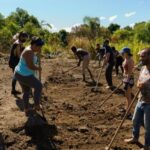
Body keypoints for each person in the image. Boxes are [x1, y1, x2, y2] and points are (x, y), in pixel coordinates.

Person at [124, 48, 150, 150]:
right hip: (141, 99)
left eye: (143, 56)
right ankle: (135, 137)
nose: (140, 58)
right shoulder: (143, 68)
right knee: (135, 120)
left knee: (148, 127)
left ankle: (147, 145)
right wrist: (139, 83)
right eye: (140, 56)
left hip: (149, 103)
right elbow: (140, 79)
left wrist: (147, 84)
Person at [14, 36, 44, 114]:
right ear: (34, 45)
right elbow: (30, 66)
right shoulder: (29, 51)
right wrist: (38, 68)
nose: (40, 48)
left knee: (26, 91)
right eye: (39, 46)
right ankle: (37, 105)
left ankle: (26, 109)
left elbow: (31, 60)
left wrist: (37, 53)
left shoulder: (30, 49)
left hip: (20, 73)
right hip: (24, 75)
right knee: (39, 86)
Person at [121, 47, 134, 119]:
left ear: (126, 53)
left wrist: (127, 81)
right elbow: (124, 71)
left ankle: (129, 113)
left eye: (123, 52)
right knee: (126, 96)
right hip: (125, 79)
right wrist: (123, 79)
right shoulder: (125, 59)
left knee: (128, 97)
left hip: (129, 80)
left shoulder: (130, 60)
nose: (122, 53)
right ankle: (126, 109)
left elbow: (129, 72)